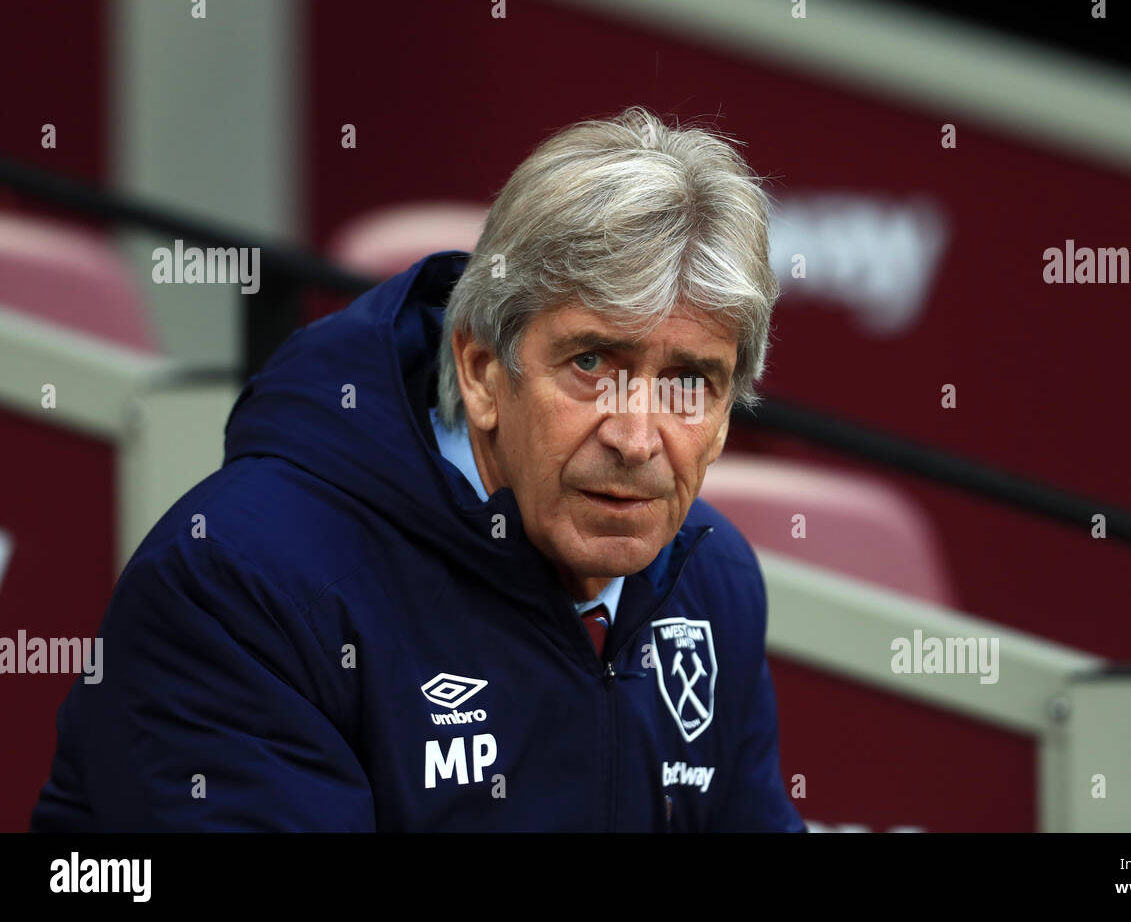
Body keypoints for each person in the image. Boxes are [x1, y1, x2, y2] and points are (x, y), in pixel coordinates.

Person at [31, 106, 804, 831]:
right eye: (592, 362)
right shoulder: (241, 584)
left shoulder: (713, 580)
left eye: (689, 383)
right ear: (479, 369)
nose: (638, 439)